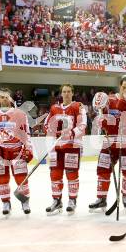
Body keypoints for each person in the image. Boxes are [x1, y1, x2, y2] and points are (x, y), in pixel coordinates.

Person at [89, 75, 126, 212]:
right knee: (103, 169)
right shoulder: (109, 99)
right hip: (109, 141)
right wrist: (100, 121)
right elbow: (100, 116)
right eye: (124, 87)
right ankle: (101, 199)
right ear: (120, 86)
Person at [0, 88, 33, 215]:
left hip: (16, 150)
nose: (4, 99)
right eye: (2, 97)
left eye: (7, 97)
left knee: (21, 178)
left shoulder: (20, 114)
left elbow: (26, 133)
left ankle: (25, 201)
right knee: (2, 179)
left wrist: (28, 148)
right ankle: (6, 202)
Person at [43, 84, 87, 215]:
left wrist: (71, 133)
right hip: (56, 147)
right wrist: (51, 130)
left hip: (72, 146)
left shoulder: (78, 107)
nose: (66, 94)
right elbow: (46, 124)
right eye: (64, 91)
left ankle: (72, 200)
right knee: (55, 174)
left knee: (71, 174)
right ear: (61, 94)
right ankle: (57, 200)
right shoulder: (54, 108)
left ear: (72, 93)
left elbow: (83, 124)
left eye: (69, 91)